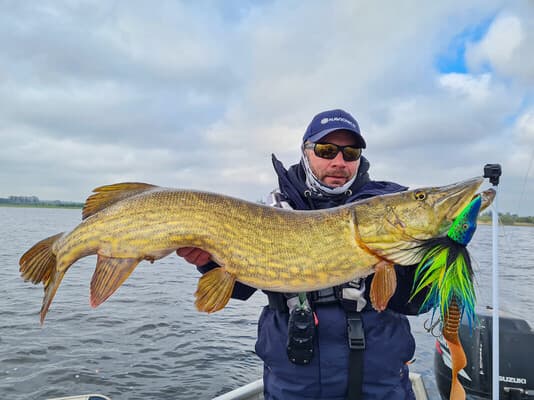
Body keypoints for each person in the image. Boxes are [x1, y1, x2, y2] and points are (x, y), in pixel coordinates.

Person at [177, 109, 428, 400]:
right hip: (296, 386)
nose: (339, 162)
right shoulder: (275, 210)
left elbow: (417, 301)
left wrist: (444, 251)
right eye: (326, 150)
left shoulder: (384, 210)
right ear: (306, 152)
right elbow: (242, 284)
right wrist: (209, 261)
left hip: (380, 385)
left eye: (351, 152)